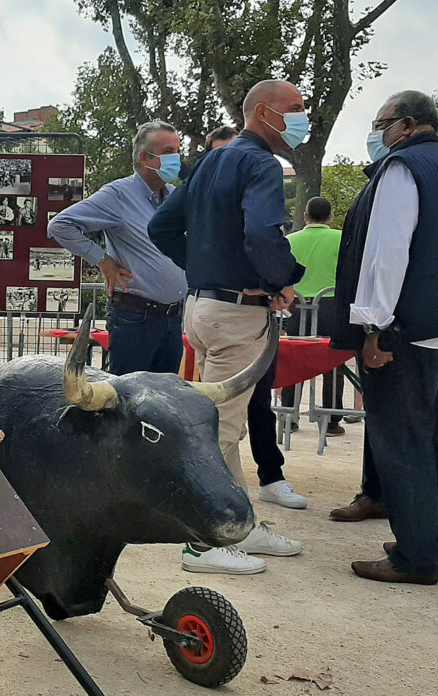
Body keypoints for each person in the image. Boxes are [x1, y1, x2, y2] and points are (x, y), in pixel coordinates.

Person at [332, 90, 438, 585]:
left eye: (381, 123)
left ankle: (415, 556)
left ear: (404, 125)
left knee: (403, 440)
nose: (377, 133)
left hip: (411, 328)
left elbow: (387, 254)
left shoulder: (402, 169)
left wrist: (374, 328)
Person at [149, 80, 308, 574]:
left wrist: (202, 269)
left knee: (225, 423)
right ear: (264, 113)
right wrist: (281, 280)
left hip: (203, 307)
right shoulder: (260, 164)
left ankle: (238, 523)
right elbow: (263, 232)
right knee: (219, 429)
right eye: (296, 109)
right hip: (238, 313)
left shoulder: (212, 160)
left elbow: (161, 228)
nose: (304, 119)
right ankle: (202, 541)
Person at [48, 120, 188, 376]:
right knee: (127, 402)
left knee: (164, 405)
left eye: (179, 150)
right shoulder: (118, 195)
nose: (177, 158)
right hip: (136, 316)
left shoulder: (174, 196)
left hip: (173, 318)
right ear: (145, 157)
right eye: (169, 152)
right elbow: (60, 225)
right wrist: (102, 260)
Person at [284, 196, 345, 435]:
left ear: (305, 217)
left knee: (293, 358)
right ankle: (331, 419)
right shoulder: (341, 239)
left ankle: (289, 415)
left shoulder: (290, 241)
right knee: (333, 361)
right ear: (330, 217)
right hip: (331, 306)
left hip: (297, 306)